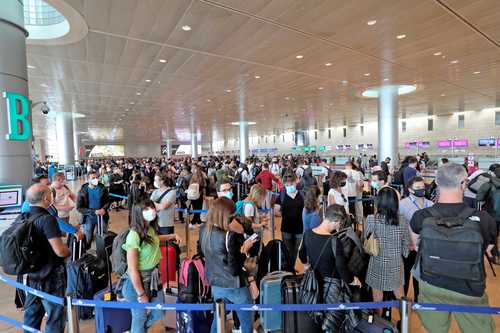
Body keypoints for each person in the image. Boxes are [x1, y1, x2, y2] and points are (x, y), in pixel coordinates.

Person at [410, 163, 496, 333]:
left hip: (431, 284)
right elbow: (487, 250)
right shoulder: (484, 219)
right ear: (464, 184)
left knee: (433, 329)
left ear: (435, 182)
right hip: (469, 288)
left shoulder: (420, 216)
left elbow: (416, 246)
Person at [299, 204, 361, 332]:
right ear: (336, 221)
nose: (339, 227)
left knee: (318, 318)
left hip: (314, 284)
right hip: (332, 288)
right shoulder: (333, 241)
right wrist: (352, 280)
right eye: (340, 224)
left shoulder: (308, 234)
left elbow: (301, 255)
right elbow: (341, 267)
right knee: (332, 323)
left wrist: (306, 265)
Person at [199, 198, 257, 333]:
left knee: (218, 320)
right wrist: (244, 250)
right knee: (246, 322)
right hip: (235, 286)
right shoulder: (228, 236)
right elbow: (234, 269)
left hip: (215, 283)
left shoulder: (203, 230)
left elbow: (201, 252)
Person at [122, 201, 181, 333]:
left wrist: (171, 236)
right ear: (138, 213)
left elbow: (155, 239)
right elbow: (132, 269)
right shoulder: (133, 236)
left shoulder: (149, 228)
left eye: (152, 207)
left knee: (159, 310)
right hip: (136, 283)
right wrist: (141, 293)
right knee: (139, 317)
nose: (152, 210)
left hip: (154, 278)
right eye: (147, 209)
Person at [23, 184, 71, 332]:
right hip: (50, 275)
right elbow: (60, 251)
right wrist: (68, 251)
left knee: (32, 315)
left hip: (31, 274)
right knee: (55, 316)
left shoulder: (23, 216)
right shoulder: (47, 219)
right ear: (45, 198)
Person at [365, 187, 410, 314]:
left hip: (376, 263)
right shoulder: (402, 220)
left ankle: (378, 325)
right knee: (401, 298)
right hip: (395, 265)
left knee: (377, 300)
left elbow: (366, 239)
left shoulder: (371, 219)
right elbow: (406, 246)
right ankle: (404, 324)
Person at [399, 176, 433, 302]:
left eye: (423, 187)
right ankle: (403, 302)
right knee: (406, 274)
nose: (421, 190)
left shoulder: (430, 204)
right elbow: (399, 225)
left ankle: (419, 301)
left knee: (420, 276)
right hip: (408, 247)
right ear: (410, 190)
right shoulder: (402, 204)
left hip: (425, 247)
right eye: (418, 188)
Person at [76, 170, 110, 248]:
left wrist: (104, 209)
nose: (96, 179)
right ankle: (86, 251)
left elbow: (107, 201)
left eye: (97, 177)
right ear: (88, 179)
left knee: (102, 236)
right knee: (88, 237)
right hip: (89, 218)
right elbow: (79, 208)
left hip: (102, 217)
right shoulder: (82, 191)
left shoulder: (103, 188)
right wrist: (94, 211)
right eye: (93, 178)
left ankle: (101, 251)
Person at [476, 164, 500, 265]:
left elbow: (478, 198)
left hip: (492, 215)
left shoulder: (488, 184)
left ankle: (495, 256)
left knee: (493, 235)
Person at [280, 173, 304, 264]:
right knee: (287, 250)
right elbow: (277, 209)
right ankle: (288, 269)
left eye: (291, 184)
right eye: (286, 185)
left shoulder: (302, 194)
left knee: (296, 250)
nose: (289, 186)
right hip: (286, 227)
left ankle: (291, 268)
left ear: (295, 183)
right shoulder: (282, 194)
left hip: (299, 227)